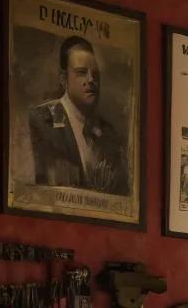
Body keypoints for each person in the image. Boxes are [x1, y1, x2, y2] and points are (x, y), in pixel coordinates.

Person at [27, 36, 128, 194]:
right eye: (81, 73)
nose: (90, 80)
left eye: (95, 74)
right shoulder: (41, 120)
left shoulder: (109, 134)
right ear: (63, 78)